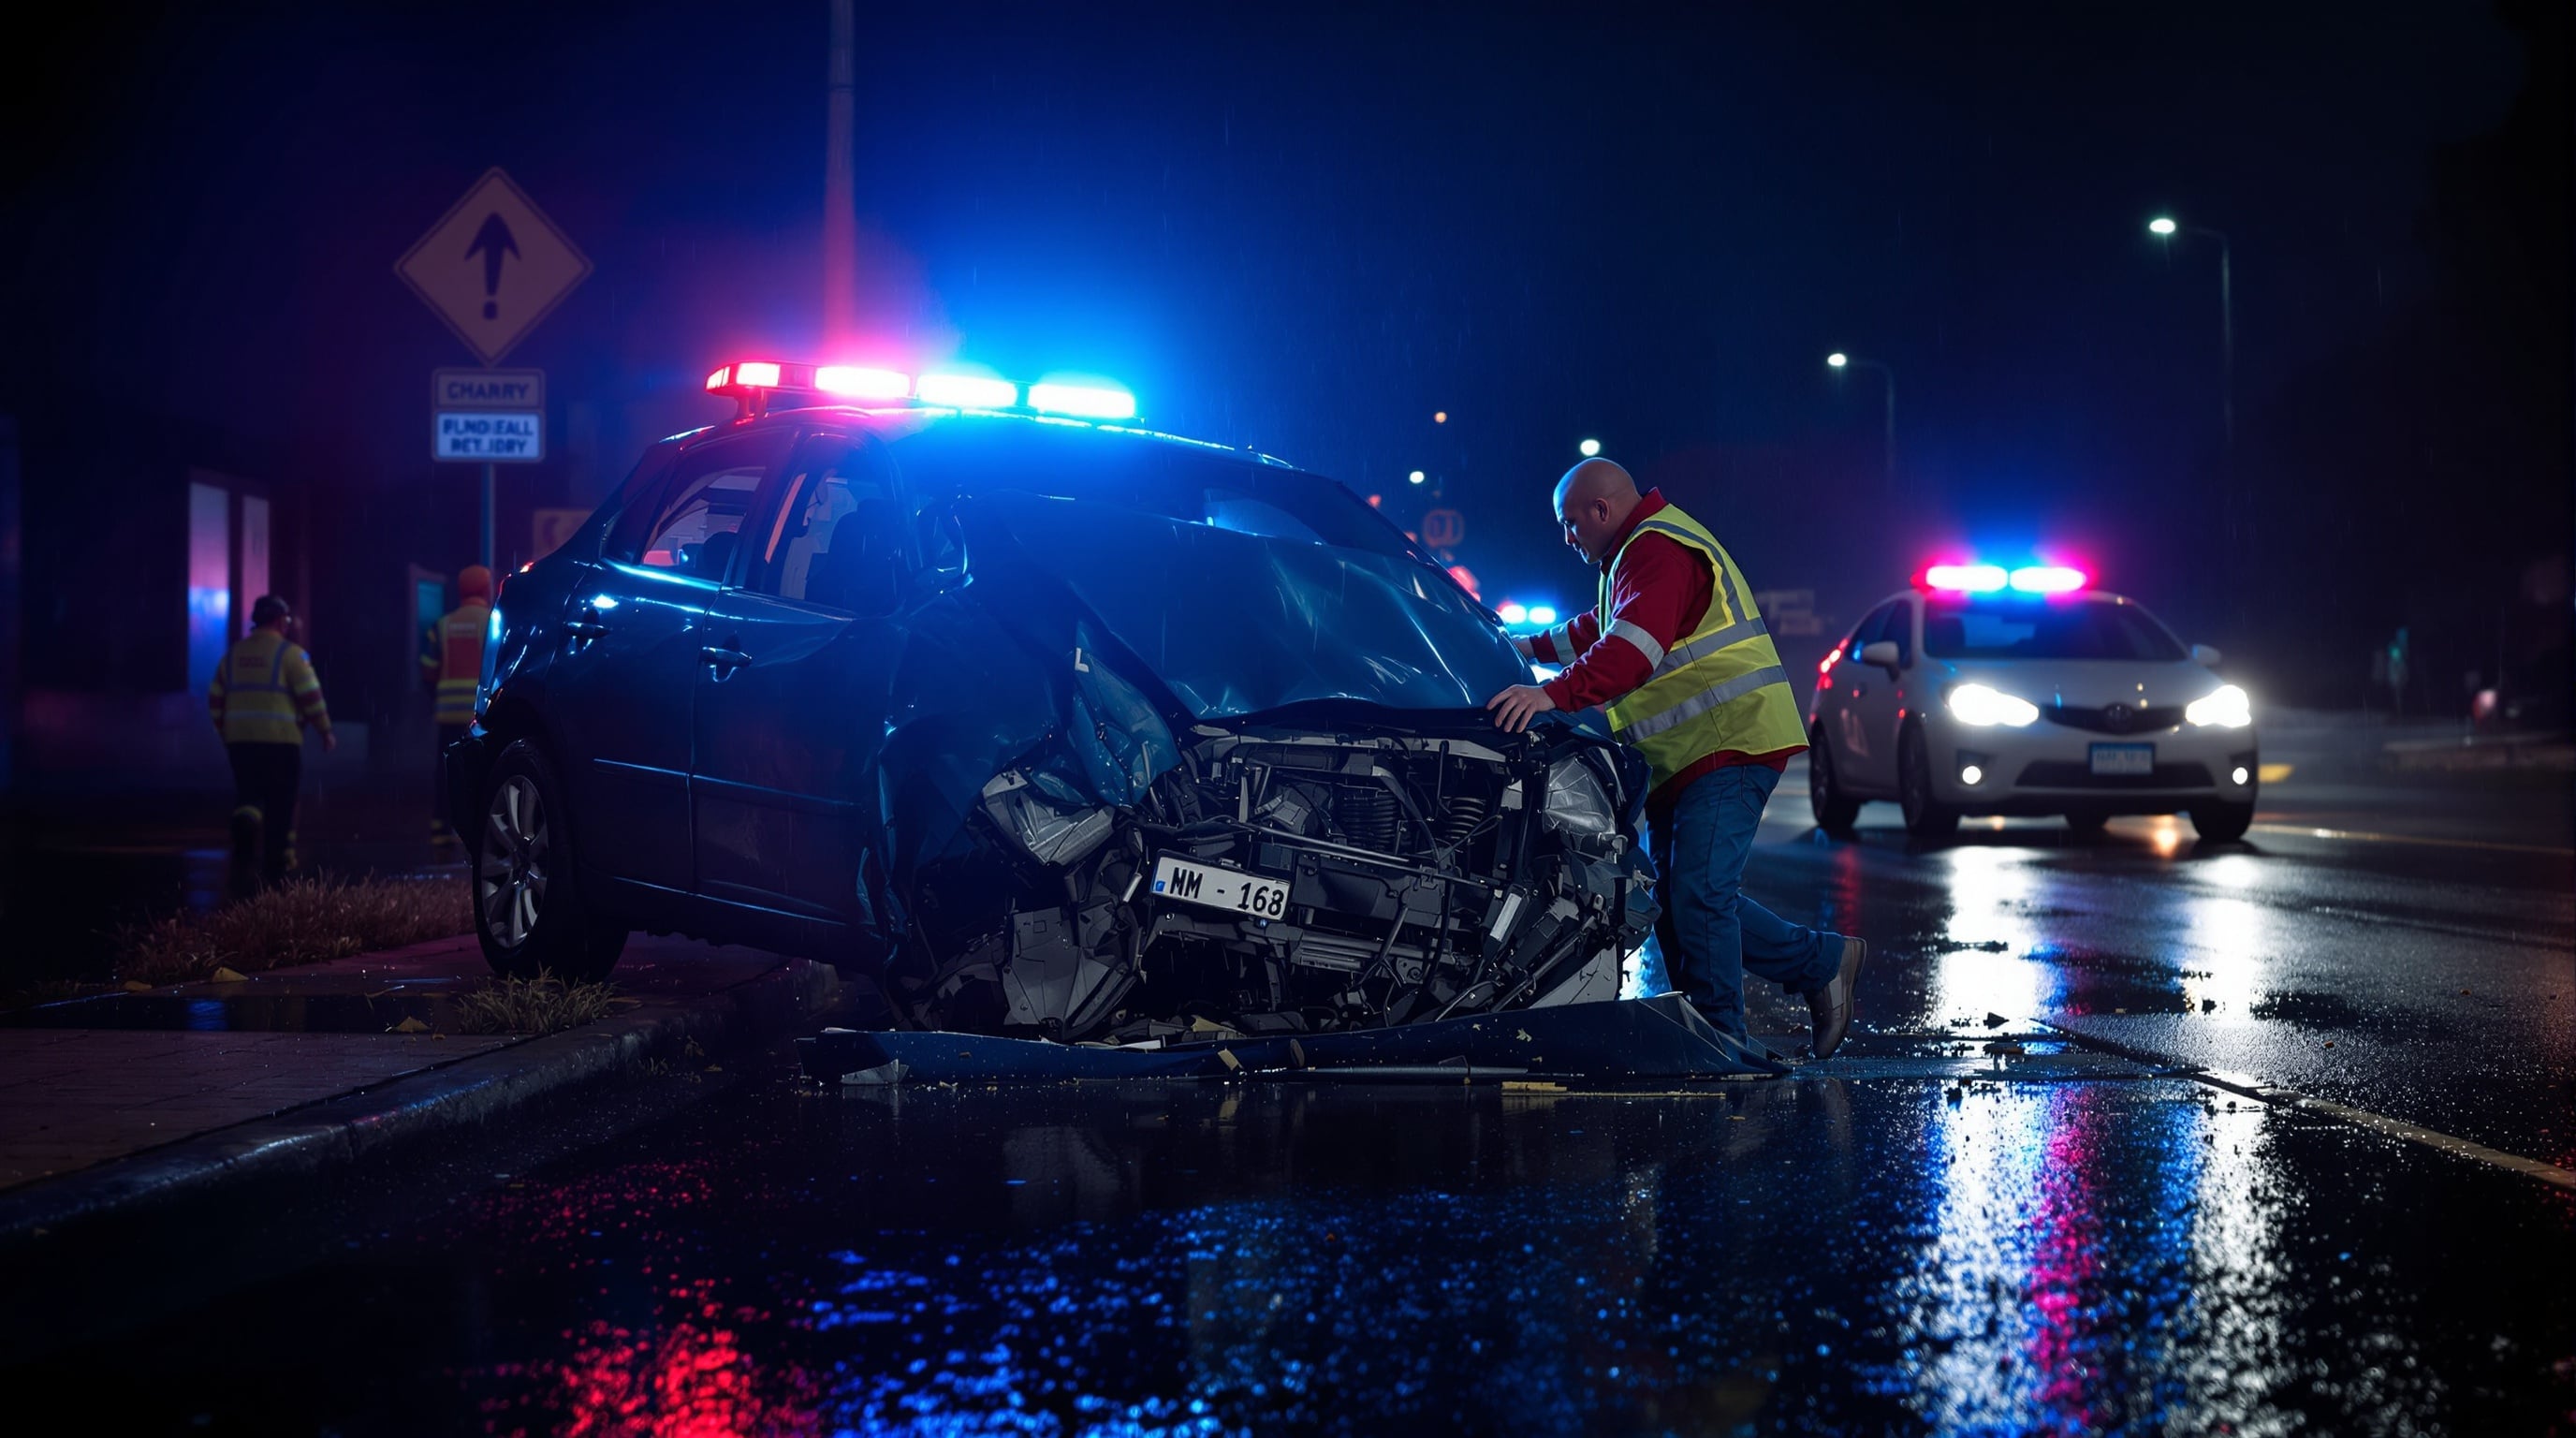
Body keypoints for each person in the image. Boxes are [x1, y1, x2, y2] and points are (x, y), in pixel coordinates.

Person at [1486, 459, 1866, 1058]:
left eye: (1571, 523)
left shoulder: (1656, 549)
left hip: (1727, 741)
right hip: (1693, 754)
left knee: (1698, 896)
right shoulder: (1637, 553)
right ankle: (1818, 964)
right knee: (1682, 900)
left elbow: (1630, 651)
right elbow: (1596, 629)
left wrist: (1549, 694)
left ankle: (1721, 1041)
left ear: (1601, 510)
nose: (1567, 538)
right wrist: (1515, 646)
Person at [208, 594, 335, 888]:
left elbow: (215, 698)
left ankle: (245, 829)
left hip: (240, 742)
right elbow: (311, 697)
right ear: (280, 621)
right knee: (281, 800)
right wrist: (325, 731)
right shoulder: (291, 655)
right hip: (281, 741)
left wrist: (225, 731)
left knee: (249, 793)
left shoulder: (233, 655)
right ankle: (277, 861)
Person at [420, 565, 493, 844]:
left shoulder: (443, 625)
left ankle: (440, 827)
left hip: (448, 714)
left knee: (446, 772)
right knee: (481, 773)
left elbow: (428, 669)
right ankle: (477, 832)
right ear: (485, 589)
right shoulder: (492, 622)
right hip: (480, 715)